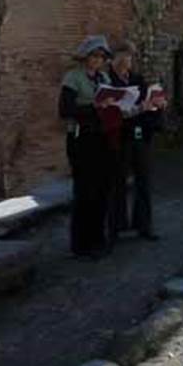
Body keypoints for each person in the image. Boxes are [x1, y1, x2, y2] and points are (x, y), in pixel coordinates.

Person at [59, 35, 113, 258]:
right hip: (81, 140)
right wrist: (95, 106)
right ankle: (81, 244)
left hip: (102, 139)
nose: (97, 60)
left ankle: (98, 239)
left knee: (101, 190)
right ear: (85, 57)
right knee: (84, 191)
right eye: (94, 56)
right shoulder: (73, 78)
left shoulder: (105, 79)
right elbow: (65, 110)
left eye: (101, 57)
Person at [107, 41, 164, 242]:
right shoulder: (108, 82)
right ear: (112, 60)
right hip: (119, 137)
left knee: (143, 182)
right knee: (117, 183)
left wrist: (157, 104)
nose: (125, 62)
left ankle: (144, 226)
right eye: (121, 57)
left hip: (140, 135)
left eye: (128, 58)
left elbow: (149, 105)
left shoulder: (138, 80)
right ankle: (116, 227)